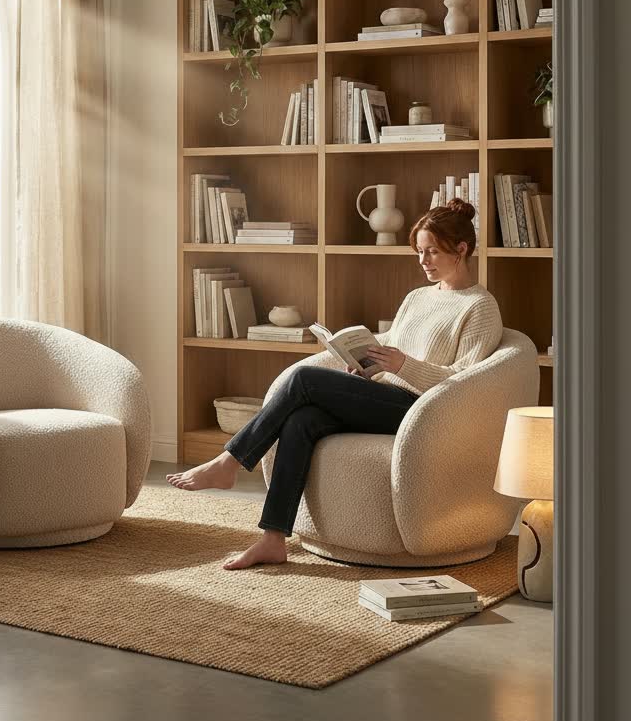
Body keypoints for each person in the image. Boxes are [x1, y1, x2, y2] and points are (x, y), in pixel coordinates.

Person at [166, 198, 503, 570]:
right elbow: (391, 348)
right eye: (419, 252)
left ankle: (230, 461)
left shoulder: (480, 306)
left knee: (302, 377)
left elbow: (465, 381)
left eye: (433, 252)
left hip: (422, 409)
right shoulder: (417, 298)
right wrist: (366, 366)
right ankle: (273, 538)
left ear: (462, 249)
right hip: (387, 395)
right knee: (302, 420)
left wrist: (405, 366)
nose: (423, 261)